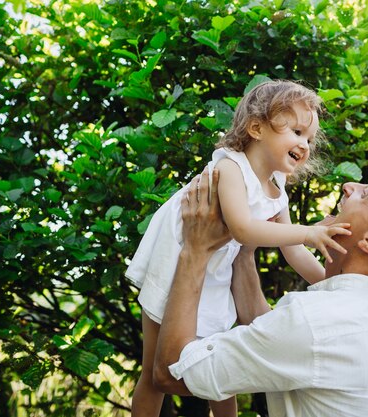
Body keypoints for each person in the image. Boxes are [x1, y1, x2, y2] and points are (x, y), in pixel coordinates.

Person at [153, 164, 368, 416]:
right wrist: (245, 253)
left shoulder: (315, 324)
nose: (350, 186)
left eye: (366, 193)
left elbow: (171, 372)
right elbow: (275, 340)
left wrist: (195, 249)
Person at [126, 80, 351, 416]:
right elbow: (243, 230)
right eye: (297, 131)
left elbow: (293, 251)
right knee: (153, 372)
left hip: (214, 272)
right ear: (257, 128)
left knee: (219, 359)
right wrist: (306, 233)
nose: (304, 144)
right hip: (176, 265)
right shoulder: (230, 168)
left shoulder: (277, 184)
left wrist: (333, 287)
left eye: (309, 138)